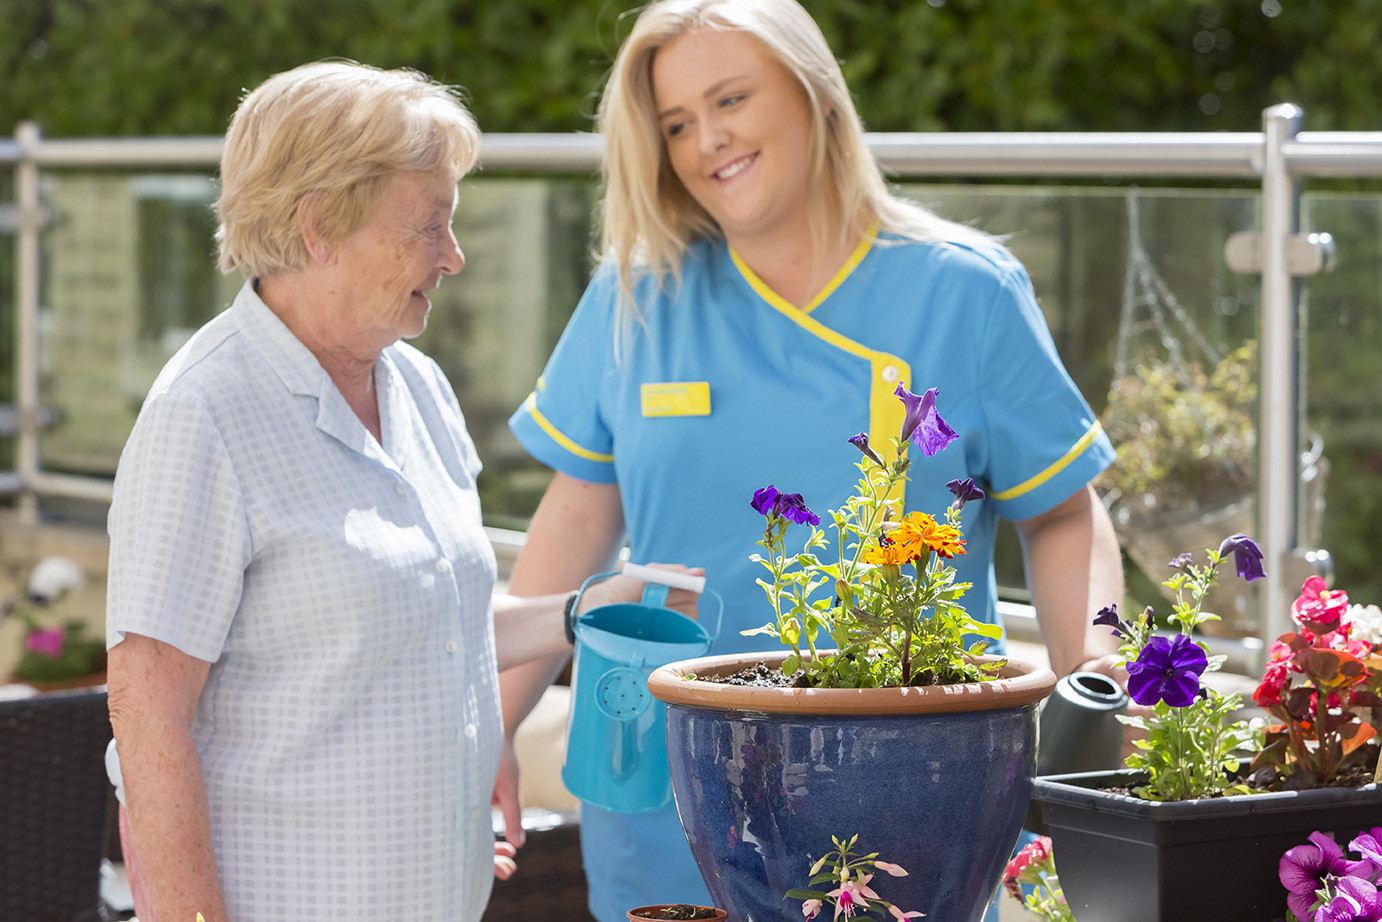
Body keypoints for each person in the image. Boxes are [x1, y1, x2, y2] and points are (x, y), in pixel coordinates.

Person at [501, 0, 1126, 918]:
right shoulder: (636, 295)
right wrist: (495, 728)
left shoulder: (965, 291)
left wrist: (1094, 699)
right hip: (667, 766)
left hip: (911, 782)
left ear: (812, 90)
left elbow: (1064, 510)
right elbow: (577, 515)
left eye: (731, 99)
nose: (707, 140)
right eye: (675, 123)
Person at [103, 60, 698, 922]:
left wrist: (583, 609)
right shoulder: (204, 414)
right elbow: (147, 714)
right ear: (319, 226)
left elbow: (425, 626)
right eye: (430, 225)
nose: (452, 257)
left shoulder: (417, 387)